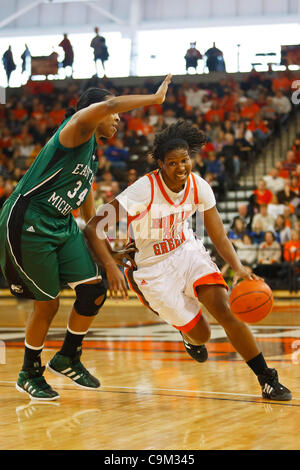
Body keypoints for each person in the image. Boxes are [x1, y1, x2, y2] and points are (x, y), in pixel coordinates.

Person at [84, 120, 292, 401]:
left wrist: (240, 268)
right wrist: (111, 263)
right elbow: (94, 226)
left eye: (185, 160)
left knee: (224, 309)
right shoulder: (143, 191)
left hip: (186, 250)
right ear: (160, 164)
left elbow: (217, 234)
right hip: (153, 268)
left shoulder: (199, 186)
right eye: (172, 163)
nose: (181, 167)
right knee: (202, 335)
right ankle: (187, 335)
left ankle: (267, 379)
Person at [0, 74, 172, 401]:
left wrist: (108, 257)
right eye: (114, 115)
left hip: (62, 223)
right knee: (47, 304)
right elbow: (108, 104)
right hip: (29, 220)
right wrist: (153, 98)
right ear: (95, 111)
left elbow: (90, 219)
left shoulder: (92, 155)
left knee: (93, 291)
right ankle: (29, 372)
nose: (119, 119)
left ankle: (67, 356)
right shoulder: (75, 131)